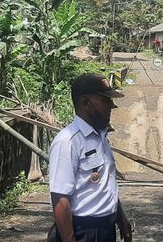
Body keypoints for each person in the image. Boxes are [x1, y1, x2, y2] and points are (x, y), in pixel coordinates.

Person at [48, 73, 132, 242]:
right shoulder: (68, 141)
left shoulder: (101, 136)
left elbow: (105, 186)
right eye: (105, 100)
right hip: (82, 231)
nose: (111, 106)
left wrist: (120, 217)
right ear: (86, 103)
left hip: (105, 229)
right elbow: (60, 198)